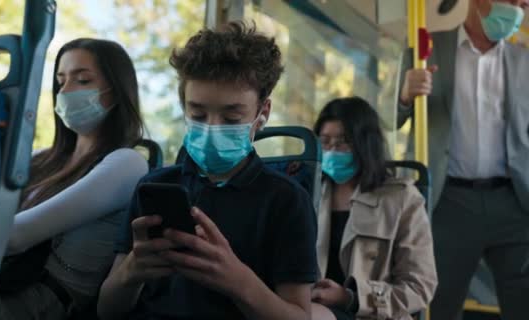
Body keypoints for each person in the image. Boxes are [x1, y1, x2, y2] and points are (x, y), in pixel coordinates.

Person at [98, 21, 319, 320]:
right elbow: (106, 309)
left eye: (231, 117)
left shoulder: (286, 200)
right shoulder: (155, 186)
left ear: (261, 114)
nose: (213, 128)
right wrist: (132, 272)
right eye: (198, 114)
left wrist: (238, 281)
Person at [0, 38, 148, 319]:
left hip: (40, 300)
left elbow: (15, 237)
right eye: (61, 81)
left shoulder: (127, 163)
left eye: (82, 80)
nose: (65, 92)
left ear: (116, 91)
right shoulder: (40, 158)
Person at [397, 1, 529, 319]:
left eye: (524, 2)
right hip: (448, 201)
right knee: (438, 303)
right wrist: (404, 96)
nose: (521, 6)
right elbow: (394, 119)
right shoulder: (424, 47)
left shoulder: (524, 59)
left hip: (515, 203)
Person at [311, 97, 437, 320]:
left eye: (342, 142)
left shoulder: (401, 199)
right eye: (325, 142)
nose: (332, 151)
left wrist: (350, 297)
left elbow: (419, 287)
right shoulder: (308, 193)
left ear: (364, 144)